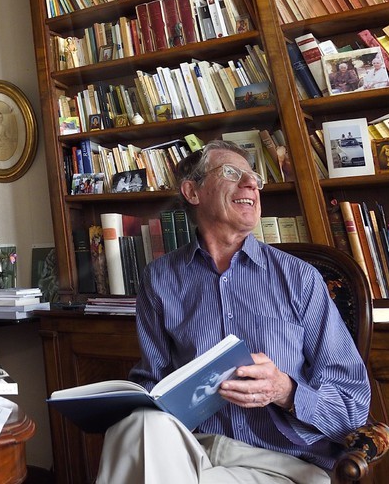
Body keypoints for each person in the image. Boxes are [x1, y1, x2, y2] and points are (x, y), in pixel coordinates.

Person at [97, 141, 371, 484]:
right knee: (133, 425)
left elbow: (353, 406)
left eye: (254, 177)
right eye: (232, 173)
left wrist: (285, 391)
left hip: (282, 460)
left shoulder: (300, 278)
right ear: (192, 192)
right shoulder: (160, 277)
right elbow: (154, 380)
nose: (251, 184)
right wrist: (124, 402)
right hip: (192, 448)